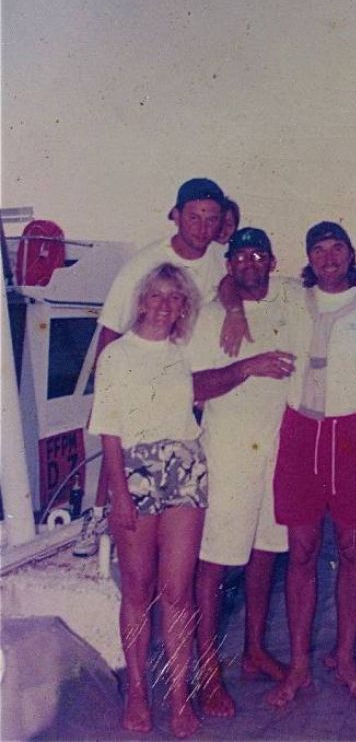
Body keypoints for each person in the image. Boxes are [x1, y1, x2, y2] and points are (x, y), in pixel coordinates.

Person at [267, 222, 356, 707]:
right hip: (301, 432)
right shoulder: (289, 301)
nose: (328, 258)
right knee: (300, 551)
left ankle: (345, 657)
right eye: (318, 250)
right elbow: (235, 281)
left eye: (336, 248)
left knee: (353, 548)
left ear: (350, 253)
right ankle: (299, 664)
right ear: (308, 257)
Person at [74, 178, 228, 557]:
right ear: (176, 216)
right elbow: (109, 330)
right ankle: (95, 517)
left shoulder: (217, 260)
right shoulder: (142, 265)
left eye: (211, 219)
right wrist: (103, 393)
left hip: (183, 379)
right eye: (194, 217)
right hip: (136, 374)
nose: (202, 227)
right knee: (116, 441)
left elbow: (229, 287)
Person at [88, 263, 206, 738]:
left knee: (178, 591)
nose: (164, 305)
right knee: (138, 589)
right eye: (156, 295)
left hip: (186, 469)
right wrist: (118, 494)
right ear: (141, 300)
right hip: (133, 470)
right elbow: (109, 431)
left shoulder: (185, 352)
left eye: (174, 298)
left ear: (183, 309)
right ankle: (138, 690)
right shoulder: (116, 356)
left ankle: (180, 695)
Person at [187, 228, 297, 717]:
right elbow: (192, 388)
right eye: (241, 257)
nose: (251, 263)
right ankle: (207, 671)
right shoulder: (211, 315)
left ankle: (253, 652)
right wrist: (247, 367)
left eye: (259, 255)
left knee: (266, 554)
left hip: (278, 450)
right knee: (213, 564)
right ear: (229, 265)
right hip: (229, 454)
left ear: (272, 261)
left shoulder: (291, 303)